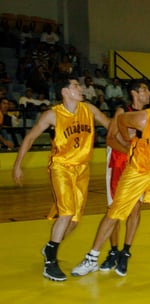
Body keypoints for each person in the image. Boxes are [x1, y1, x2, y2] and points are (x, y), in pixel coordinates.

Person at [71, 91, 150, 285]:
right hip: (138, 169)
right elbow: (121, 120)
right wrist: (127, 137)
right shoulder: (143, 118)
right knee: (114, 213)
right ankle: (91, 258)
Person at [12, 76, 111, 282]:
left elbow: (110, 125)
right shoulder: (52, 115)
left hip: (82, 169)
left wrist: (132, 133)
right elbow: (30, 137)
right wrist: (17, 165)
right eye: (75, 86)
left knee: (74, 221)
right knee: (65, 213)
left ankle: (50, 248)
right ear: (65, 91)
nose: (81, 88)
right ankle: (50, 263)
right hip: (61, 167)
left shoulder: (89, 109)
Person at [99, 79, 150, 276]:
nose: (149, 94)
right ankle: (113, 251)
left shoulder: (148, 115)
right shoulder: (122, 111)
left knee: (135, 208)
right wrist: (130, 152)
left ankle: (125, 252)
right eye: (145, 90)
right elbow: (111, 139)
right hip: (118, 162)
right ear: (135, 93)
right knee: (115, 210)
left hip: (137, 165)